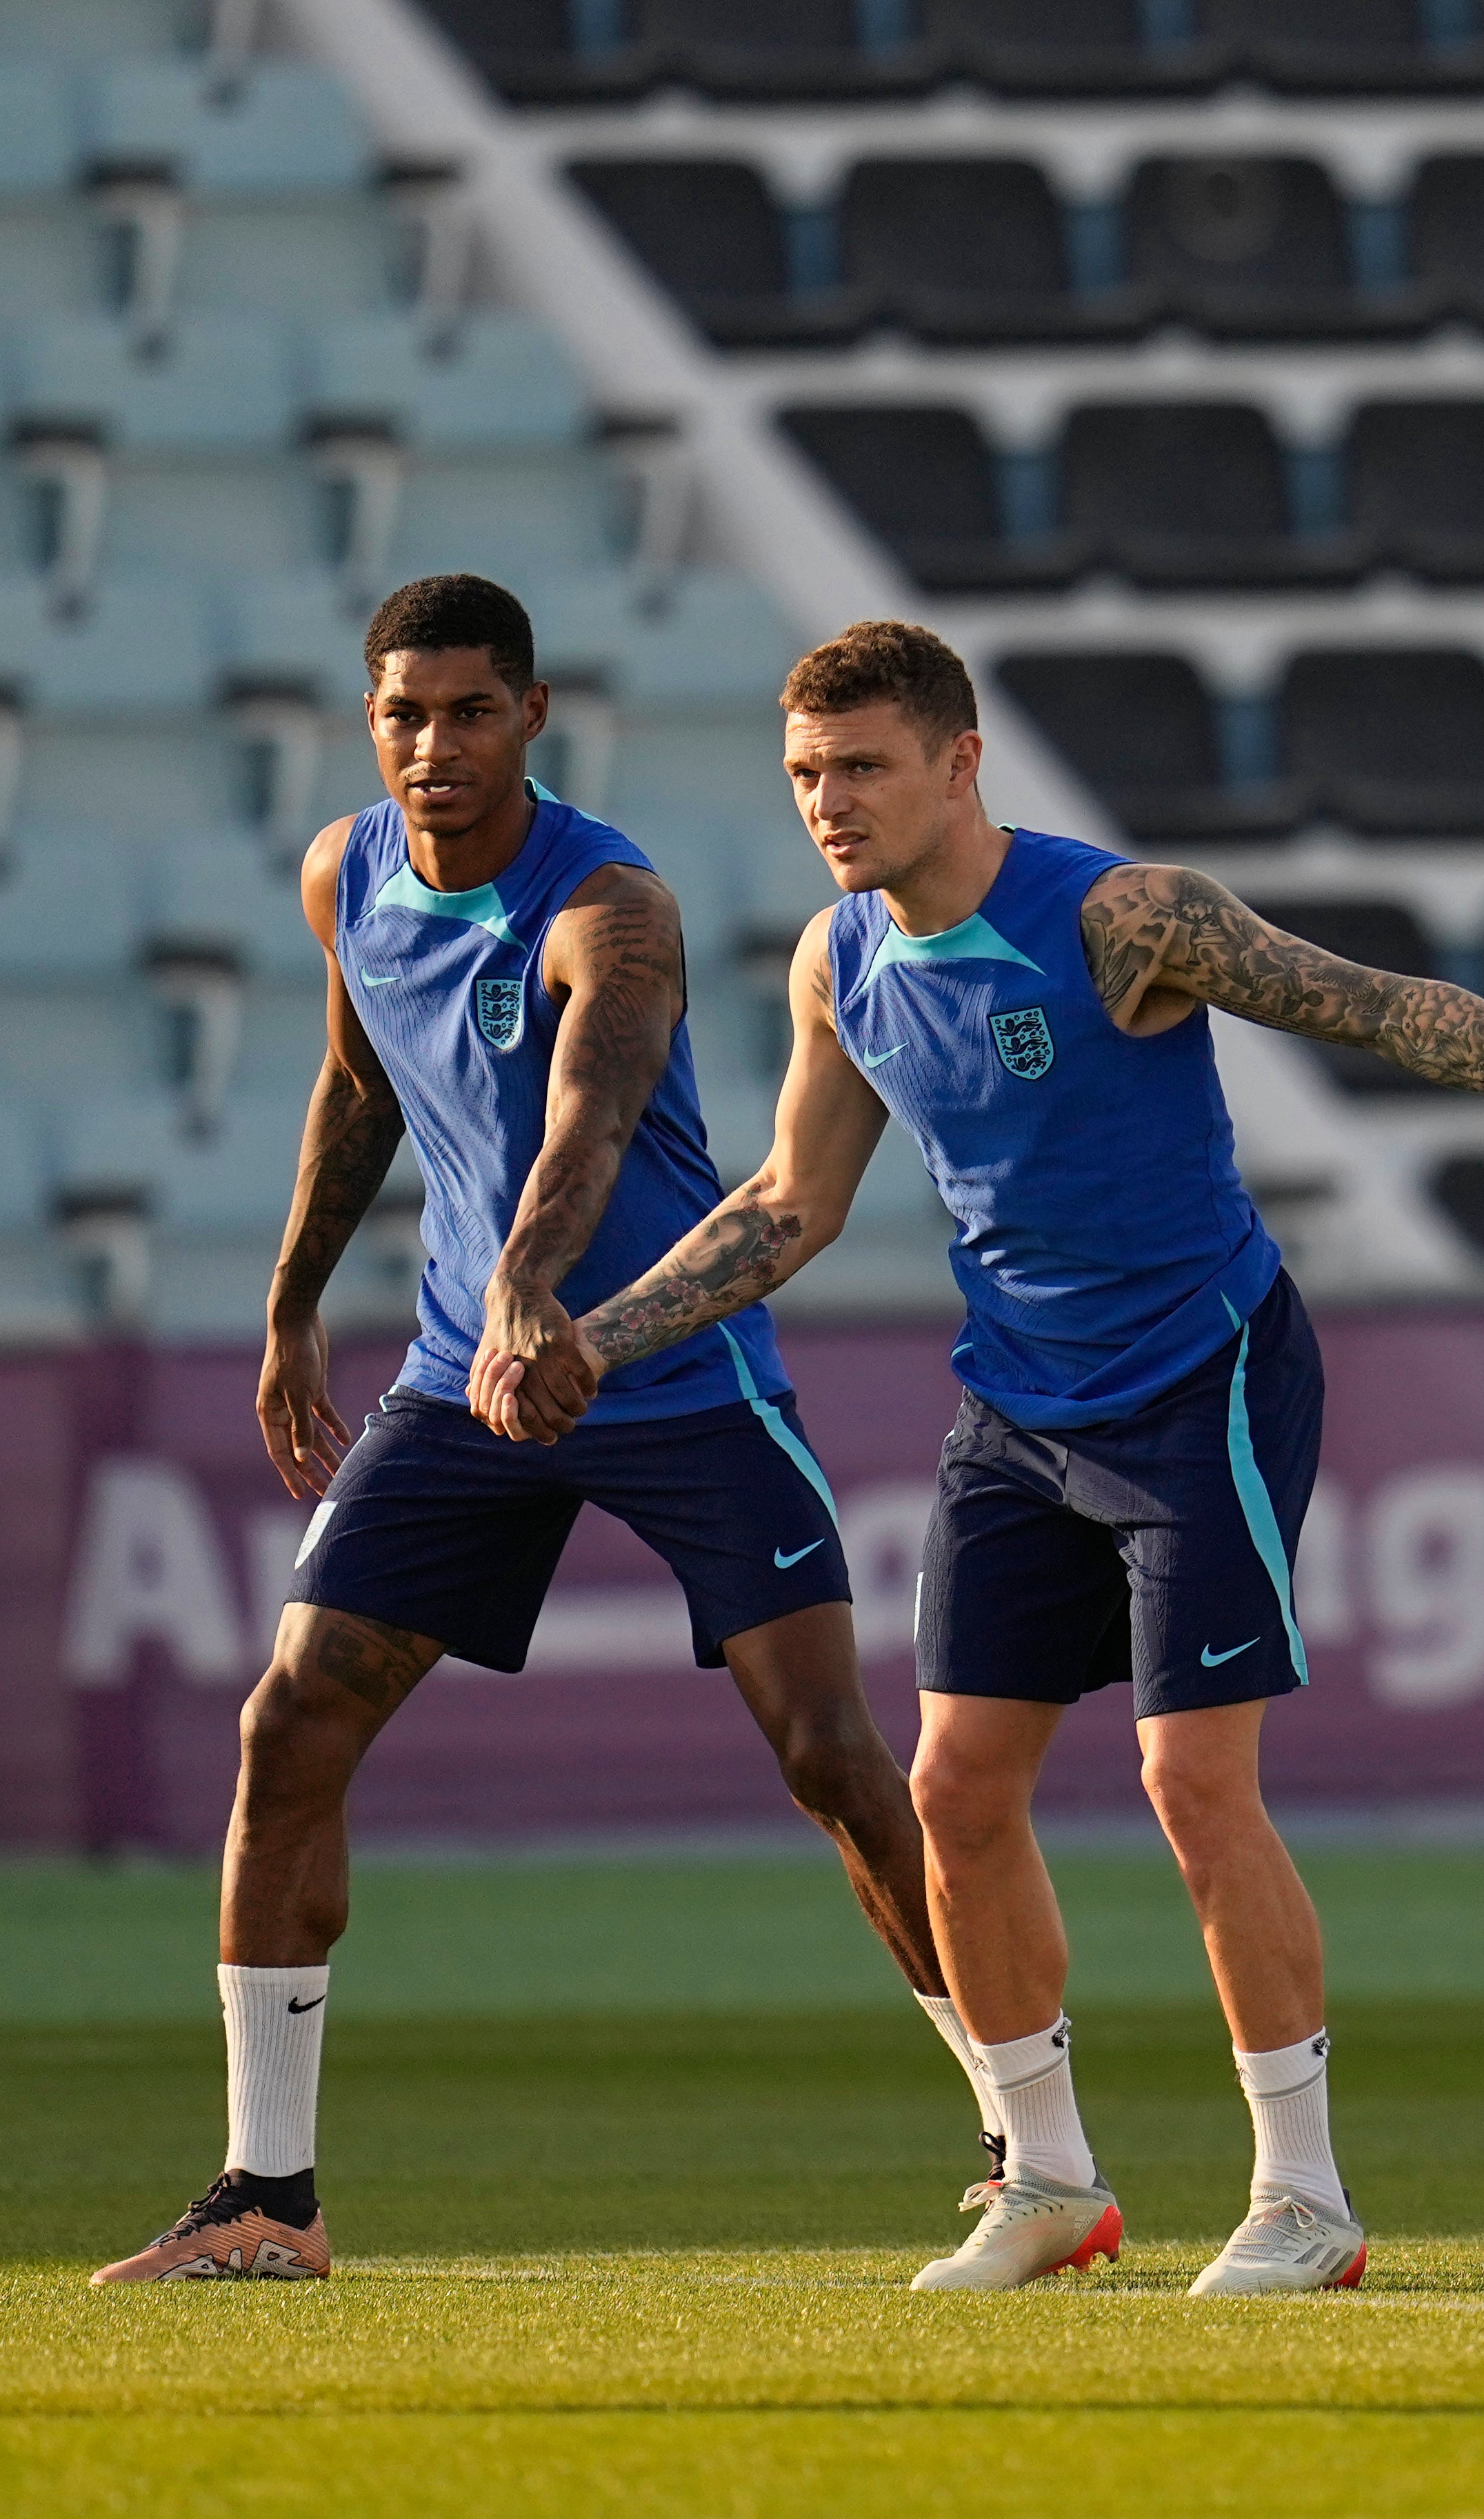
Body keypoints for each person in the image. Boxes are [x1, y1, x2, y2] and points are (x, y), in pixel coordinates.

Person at [490, 620, 1484, 2294]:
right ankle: (1051, 2183)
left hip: (1198, 1378)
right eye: (804, 773)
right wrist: (599, 1334)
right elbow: (793, 1202)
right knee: (949, 1790)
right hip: (1016, 1407)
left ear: (959, 763)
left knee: (1189, 1783)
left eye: (861, 766)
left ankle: (1304, 2200)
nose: (828, 802)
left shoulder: (1117, 918)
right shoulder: (838, 961)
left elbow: (1361, 1001)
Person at [97, 575, 968, 2284]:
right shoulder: (344, 874)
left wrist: (532, 1288)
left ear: (533, 718)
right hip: (457, 1381)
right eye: (404, 714)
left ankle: (1029, 2126)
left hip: (672, 1374)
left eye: (470, 712)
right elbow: (362, 1085)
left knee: (827, 1758)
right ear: (372, 725)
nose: (434, 745)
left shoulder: (610, 903)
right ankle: (267, 2199)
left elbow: (599, 1094)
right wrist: (291, 1302)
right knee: (290, 1721)